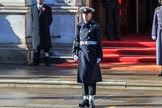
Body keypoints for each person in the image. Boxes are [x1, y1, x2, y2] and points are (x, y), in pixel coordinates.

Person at [72, 6, 103, 108]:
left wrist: (99, 55)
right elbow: (76, 40)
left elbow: (99, 42)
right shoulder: (79, 26)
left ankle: (91, 99)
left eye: (87, 14)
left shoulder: (95, 26)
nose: (85, 16)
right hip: (82, 54)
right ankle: (85, 98)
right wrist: (75, 51)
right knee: (83, 77)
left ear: (91, 15)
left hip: (92, 54)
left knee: (92, 78)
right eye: (83, 14)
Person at [30, 0, 53, 66]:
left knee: (46, 48)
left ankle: (47, 61)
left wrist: (46, 25)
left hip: (45, 31)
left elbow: (50, 19)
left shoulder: (47, 8)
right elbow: (33, 18)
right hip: (36, 31)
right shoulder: (33, 8)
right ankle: (36, 62)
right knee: (36, 48)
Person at [152, 0, 162, 76]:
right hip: (160, 33)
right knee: (160, 51)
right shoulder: (157, 9)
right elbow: (154, 23)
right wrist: (154, 33)